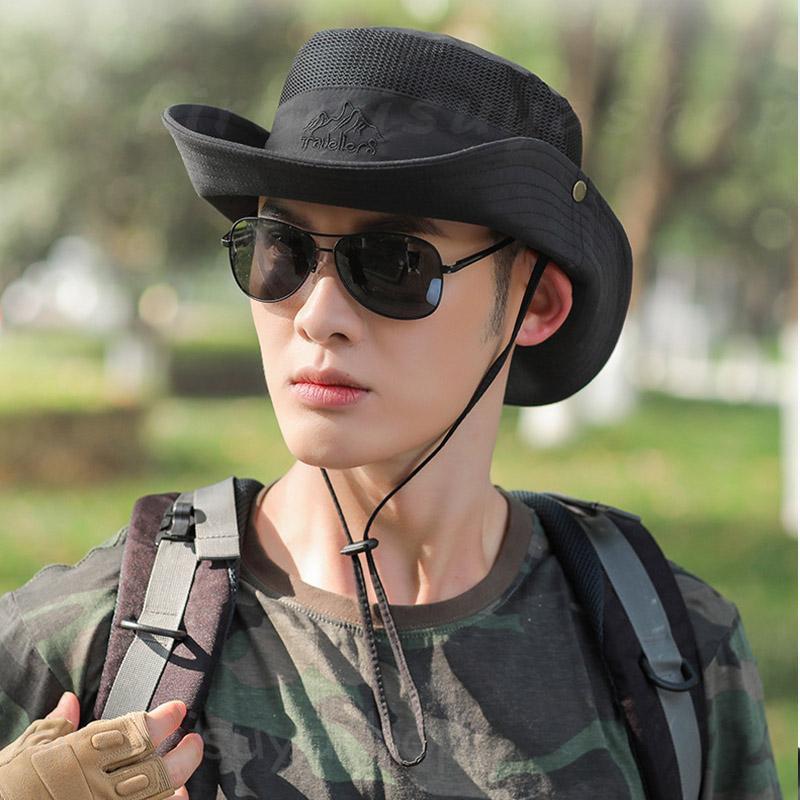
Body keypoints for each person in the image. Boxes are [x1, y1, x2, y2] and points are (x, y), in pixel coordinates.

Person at [0, 24, 781, 800]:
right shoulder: (90, 643)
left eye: (395, 263)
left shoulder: (672, 655)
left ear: (536, 302)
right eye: (281, 250)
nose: (317, 315)